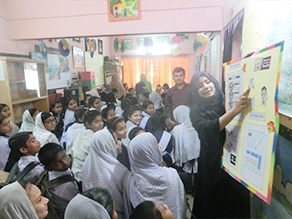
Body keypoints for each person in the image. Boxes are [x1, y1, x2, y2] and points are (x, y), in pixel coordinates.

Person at [189, 71, 250, 219]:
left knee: (235, 200)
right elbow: (207, 128)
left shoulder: (226, 100)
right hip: (212, 162)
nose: (206, 86)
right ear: (195, 92)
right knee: (213, 204)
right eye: (200, 86)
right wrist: (234, 111)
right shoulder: (195, 110)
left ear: (214, 82)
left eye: (208, 81)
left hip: (233, 156)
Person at [126, 133, 186, 219]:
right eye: (156, 144)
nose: (160, 145)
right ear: (148, 151)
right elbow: (179, 205)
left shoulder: (131, 180)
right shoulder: (170, 175)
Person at [82, 129, 129, 219]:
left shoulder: (86, 165)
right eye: (115, 142)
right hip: (115, 213)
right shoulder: (118, 170)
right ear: (107, 146)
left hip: (92, 212)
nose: (119, 143)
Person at [38, 143, 79, 217]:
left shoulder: (49, 173)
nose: (65, 163)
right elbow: (79, 205)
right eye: (58, 163)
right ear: (49, 168)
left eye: (64, 156)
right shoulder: (66, 186)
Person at [71, 110, 104, 182]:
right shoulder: (94, 138)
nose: (100, 124)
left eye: (101, 121)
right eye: (96, 122)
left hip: (75, 172)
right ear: (88, 124)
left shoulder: (81, 132)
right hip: (86, 175)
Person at [171, 105, 200, 174]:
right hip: (198, 160)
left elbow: (173, 147)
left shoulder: (177, 129)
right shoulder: (196, 126)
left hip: (182, 163)